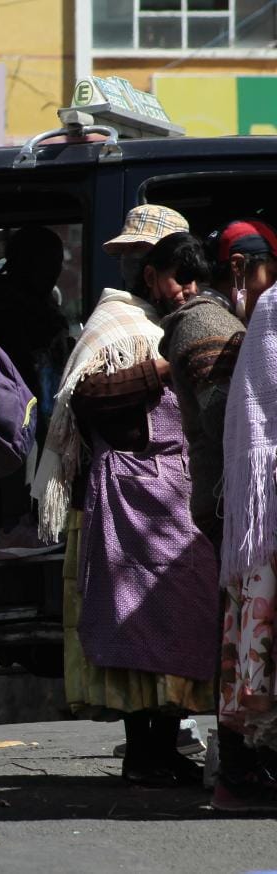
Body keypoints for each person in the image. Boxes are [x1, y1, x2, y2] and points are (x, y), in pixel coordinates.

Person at [34, 220, 218, 787]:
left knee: (180, 615)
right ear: (148, 270)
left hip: (172, 498)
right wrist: (162, 366)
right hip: (133, 495)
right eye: (171, 275)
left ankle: (164, 742)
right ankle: (145, 750)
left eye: (192, 280)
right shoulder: (117, 324)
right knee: (139, 618)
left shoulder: (180, 322)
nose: (183, 290)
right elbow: (86, 398)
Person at [206, 220, 277, 811]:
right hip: (266, 506)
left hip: (261, 512)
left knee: (256, 643)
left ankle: (241, 775)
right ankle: (242, 775)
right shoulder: (271, 309)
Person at [0, 226, 71, 559]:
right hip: (12, 413)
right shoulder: (25, 308)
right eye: (48, 262)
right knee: (12, 494)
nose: (53, 271)